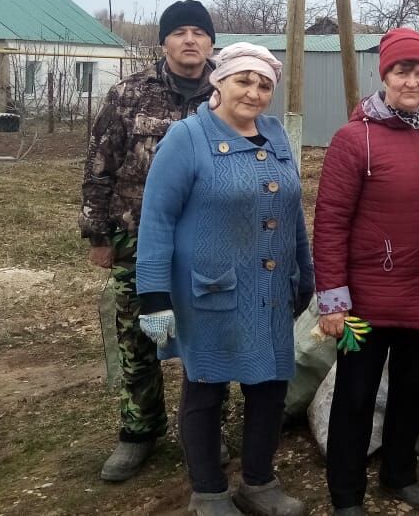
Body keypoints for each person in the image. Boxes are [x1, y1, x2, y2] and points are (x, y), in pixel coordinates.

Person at [136, 42, 314, 516]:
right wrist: (153, 296)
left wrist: (306, 273)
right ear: (219, 81)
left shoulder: (275, 135)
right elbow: (156, 220)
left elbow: (293, 211)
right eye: (243, 80)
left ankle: (259, 482)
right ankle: (209, 493)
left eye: (263, 85)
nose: (253, 92)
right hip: (210, 291)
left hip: (272, 290)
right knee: (206, 387)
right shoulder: (187, 137)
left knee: (271, 386)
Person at [80, 0, 227, 481]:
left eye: (199, 33)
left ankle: (206, 431)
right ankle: (138, 431)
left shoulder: (229, 93)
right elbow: (100, 166)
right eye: (179, 32)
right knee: (138, 338)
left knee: (205, 339)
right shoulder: (129, 94)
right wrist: (99, 235)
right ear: (163, 41)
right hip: (137, 241)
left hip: (209, 244)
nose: (190, 40)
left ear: (211, 42)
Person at [313, 28, 419, 516]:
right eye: (402, 71)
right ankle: (346, 493)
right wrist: (334, 300)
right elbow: (330, 220)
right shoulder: (356, 139)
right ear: (385, 75)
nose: (412, 81)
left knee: (413, 393)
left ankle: (399, 474)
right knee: (355, 394)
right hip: (363, 308)